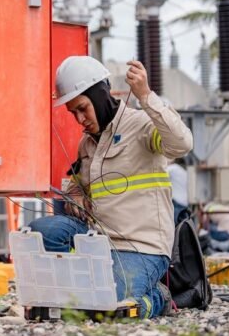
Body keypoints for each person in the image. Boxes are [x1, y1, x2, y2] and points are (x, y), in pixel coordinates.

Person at [29, 56, 193, 319]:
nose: (79, 119)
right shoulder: (88, 144)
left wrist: (146, 96)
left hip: (142, 247)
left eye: (83, 108)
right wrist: (74, 194)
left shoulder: (140, 126)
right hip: (98, 243)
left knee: (111, 303)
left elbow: (182, 144)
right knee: (41, 231)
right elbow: (77, 183)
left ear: (100, 95)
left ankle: (159, 298)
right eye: (73, 113)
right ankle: (64, 294)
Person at [167, 158, 189, 225]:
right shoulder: (185, 172)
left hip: (176, 204)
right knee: (181, 228)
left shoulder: (173, 168)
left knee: (173, 228)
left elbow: (161, 172)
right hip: (184, 204)